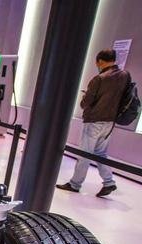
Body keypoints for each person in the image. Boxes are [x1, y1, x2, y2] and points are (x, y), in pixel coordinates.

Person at [56, 49, 130, 197]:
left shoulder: (99, 79)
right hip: (110, 122)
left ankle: (75, 184)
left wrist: (84, 97)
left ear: (100, 61)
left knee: (85, 153)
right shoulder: (124, 75)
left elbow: (86, 103)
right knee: (100, 153)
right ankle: (109, 182)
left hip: (94, 120)